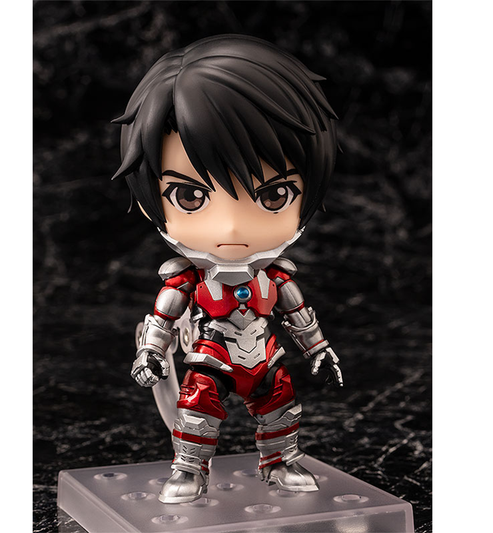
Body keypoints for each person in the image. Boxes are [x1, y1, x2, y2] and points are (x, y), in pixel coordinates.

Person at [112, 34, 343, 504]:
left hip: (264, 353)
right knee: (198, 410)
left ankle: (280, 462)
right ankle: (189, 469)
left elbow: (299, 316)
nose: (232, 227)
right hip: (211, 354)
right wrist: (150, 353)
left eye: (273, 195)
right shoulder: (186, 278)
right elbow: (162, 318)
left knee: (280, 406)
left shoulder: (276, 276)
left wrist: (319, 349)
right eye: (190, 196)